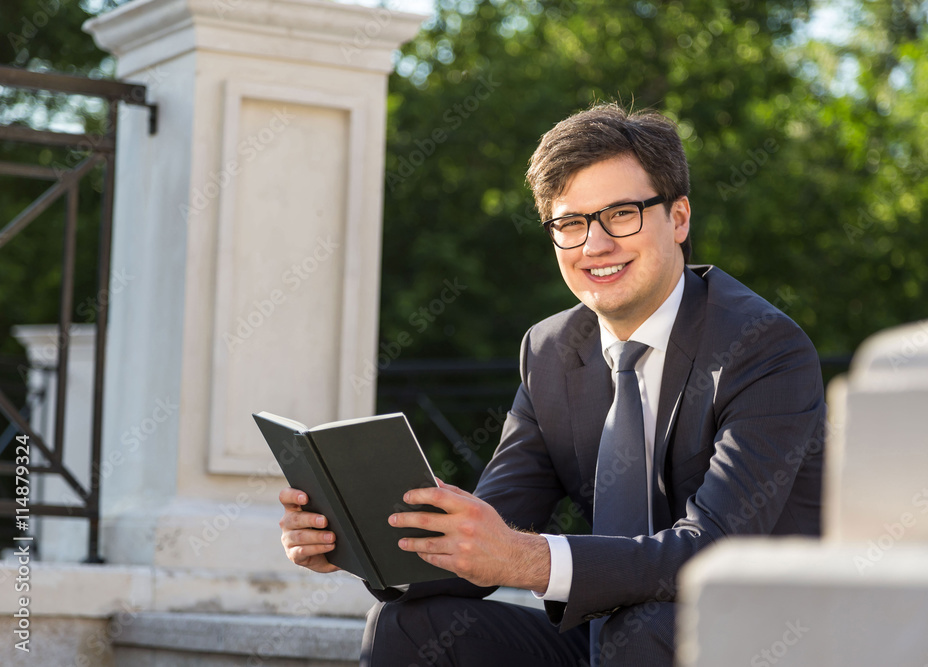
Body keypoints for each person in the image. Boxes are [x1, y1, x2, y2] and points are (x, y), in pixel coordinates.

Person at [278, 103, 825, 666]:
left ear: (679, 218)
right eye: (570, 223)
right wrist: (361, 542)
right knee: (406, 626)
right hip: (612, 638)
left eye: (621, 214)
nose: (595, 245)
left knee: (640, 631)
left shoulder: (762, 347)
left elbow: (713, 554)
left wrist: (525, 558)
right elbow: (490, 532)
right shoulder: (550, 352)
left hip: (755, 640)